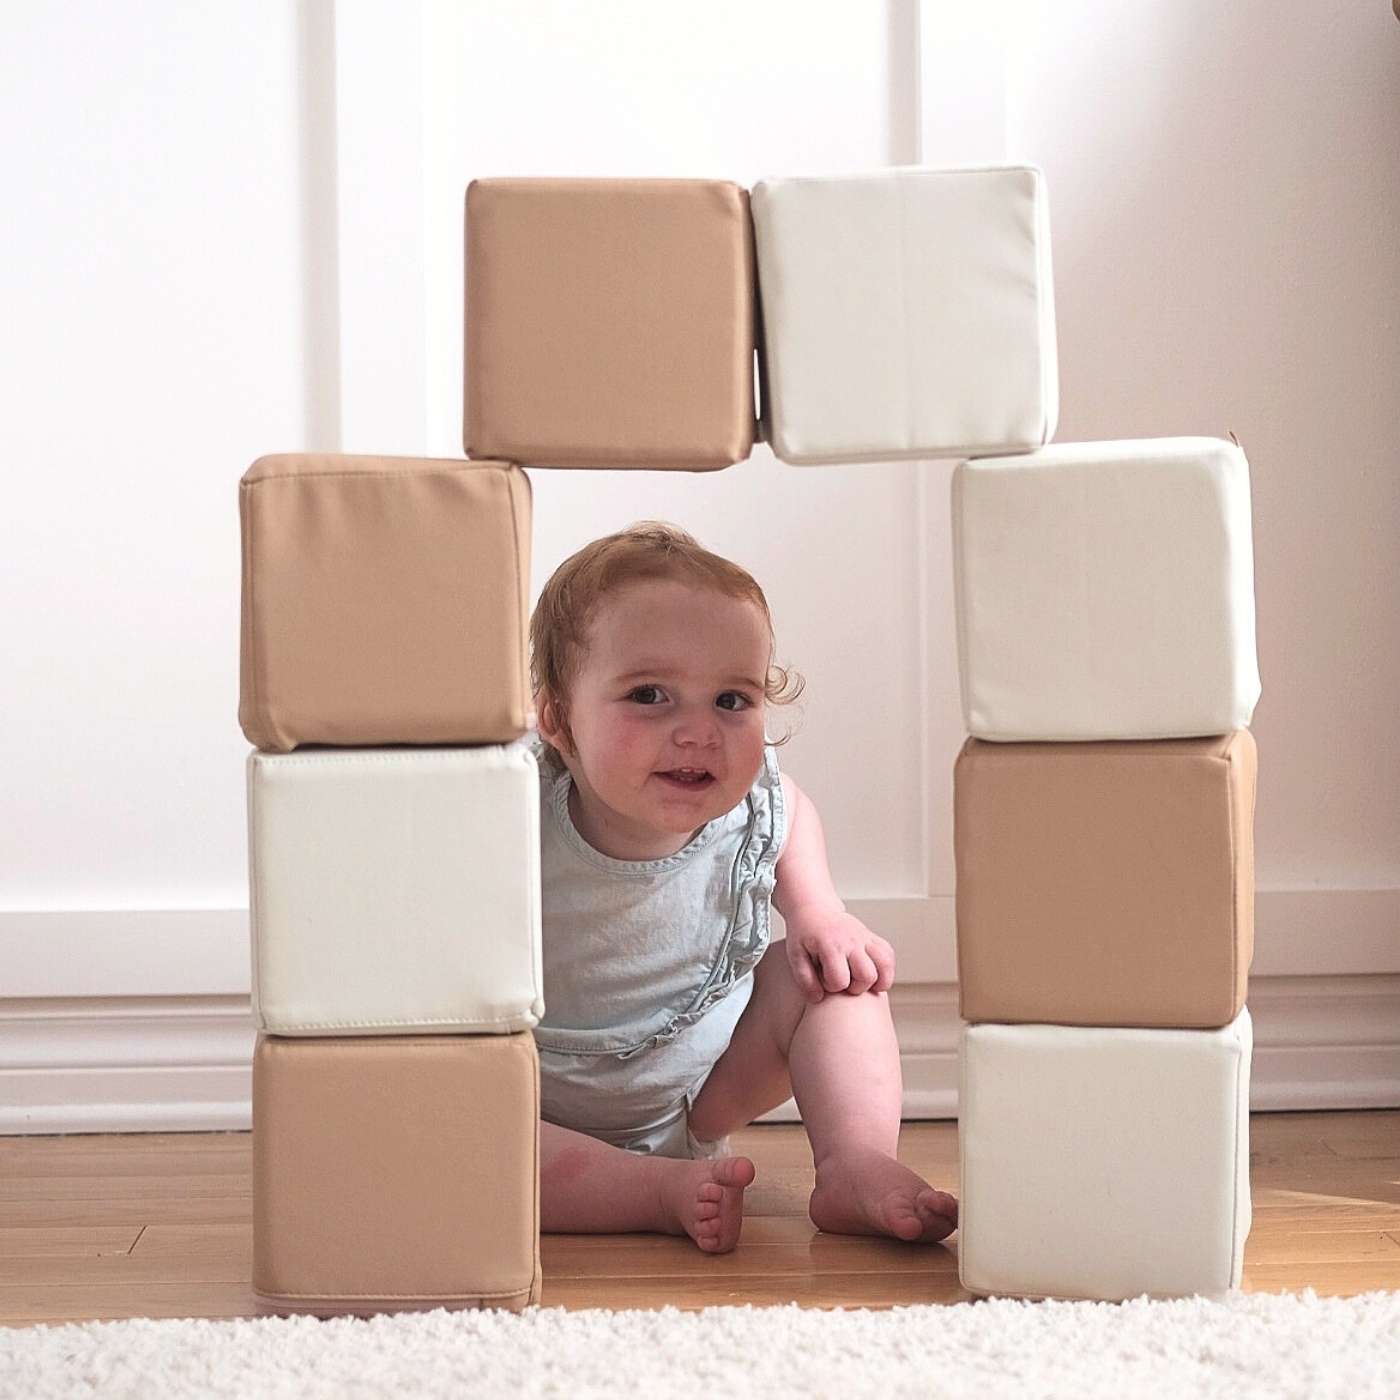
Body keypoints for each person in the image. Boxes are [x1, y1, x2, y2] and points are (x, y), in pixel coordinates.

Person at [526, 520, 959, 1254]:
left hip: (698, 1095)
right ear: (558, 720)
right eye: (651, 695)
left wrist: (820, 912)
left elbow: (789, 814)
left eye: (732, 700)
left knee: (834, 983)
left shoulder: (753, 803)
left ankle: (853, 1162)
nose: (699, 731)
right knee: (469, 1137)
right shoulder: (513, 805)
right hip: (538, 1103)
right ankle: (649, 1192)